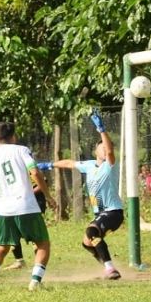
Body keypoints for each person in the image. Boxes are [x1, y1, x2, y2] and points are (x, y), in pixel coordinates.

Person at [0, 122, 51, 292]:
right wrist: (48, 196)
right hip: (26, 206)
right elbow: (35, 172)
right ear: (14, 136)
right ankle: (35, 282)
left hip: (4, 210)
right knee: (43, 244)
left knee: (2, 247)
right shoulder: (21, 150)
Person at [47, 110, 123, 280]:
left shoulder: (109, 165)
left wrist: (102, 129)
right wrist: (49, 165)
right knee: (86, 243)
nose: (105, 149)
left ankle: (110, 269)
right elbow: (69, 163)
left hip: (113, 212)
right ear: (95, 150)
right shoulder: (89, 165)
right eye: (101, 147)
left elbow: (110, 152)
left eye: (106, 146)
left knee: (91, 232)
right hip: (100, 213)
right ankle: (107, 265)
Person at [2, 163, 56, 270]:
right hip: (20, 205)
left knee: (34, 234)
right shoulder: (15, 170)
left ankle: (38, 264)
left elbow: (42, 183)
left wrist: (28, 192)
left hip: (35, 204)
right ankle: (19, 261)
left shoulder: (31, 168)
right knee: (13, 232)